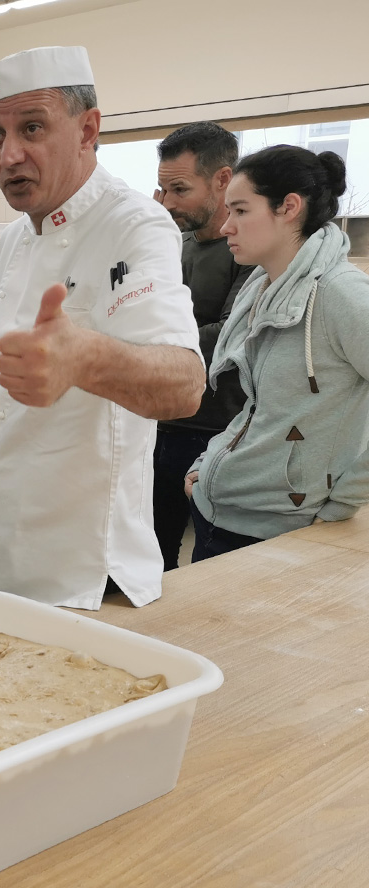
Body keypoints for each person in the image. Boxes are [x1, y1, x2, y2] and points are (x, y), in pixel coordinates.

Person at [0, 46, 203, 609]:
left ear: (87, 129)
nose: (9, 155)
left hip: (71, 576)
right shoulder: (14, 238)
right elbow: (9, 384)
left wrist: (85, 358)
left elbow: (185, 385)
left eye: (32, 128)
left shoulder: (135, 226)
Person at [187, 146, 369, 559]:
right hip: (221, 507)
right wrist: (206, 464)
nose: (226, 226)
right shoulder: (263, 288)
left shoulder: (340, 294)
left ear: (288, 207)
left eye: (240, 210)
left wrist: (343, 503)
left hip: (286, 529)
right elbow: (262, 407)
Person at [152, 121, 252, 569]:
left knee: (211, 567)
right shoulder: (173, 245)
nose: (168, 202)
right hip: (158, 424)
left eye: (179, 189)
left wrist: (151, 342)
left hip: (217, 435)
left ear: (222, 180)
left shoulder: (249, 254)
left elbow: (230, 337)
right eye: (163, 190)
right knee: (149, 561)